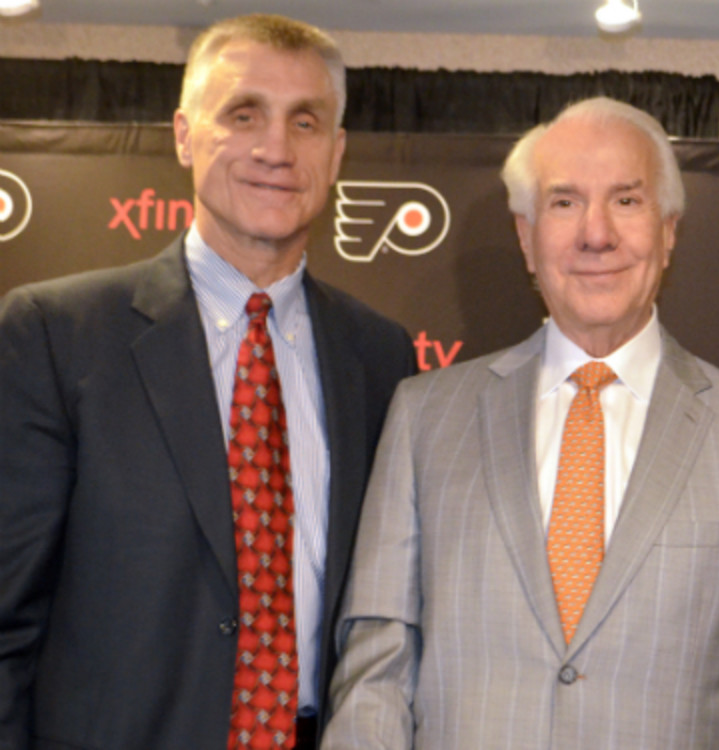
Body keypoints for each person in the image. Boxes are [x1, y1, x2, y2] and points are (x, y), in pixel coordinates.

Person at [320, 97, 719, 749]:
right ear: (526, 237)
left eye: (627, 201)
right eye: (564, 202)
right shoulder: (423, 419)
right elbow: (375, 683)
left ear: (669, 230)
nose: (597, 233)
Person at [0, 14, 415, 750]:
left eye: (306, 121)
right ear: (185, 134)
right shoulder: (54, 334)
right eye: (243, 114)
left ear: (338, 150)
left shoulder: (381, 359)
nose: (276, 149)